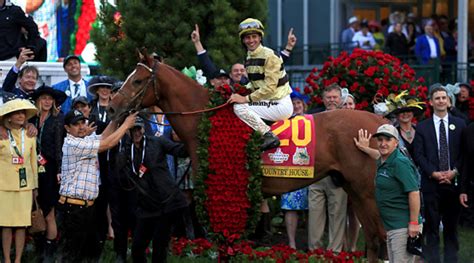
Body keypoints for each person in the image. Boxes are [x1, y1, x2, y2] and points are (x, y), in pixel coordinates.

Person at [56, 110, 138, 262]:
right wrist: (126, 125)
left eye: (83, 122)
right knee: (70, 256)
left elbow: (104, 136)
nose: (81, 127)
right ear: (67, 128)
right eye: (76, 124)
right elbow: (107, 144)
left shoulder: (83, 140)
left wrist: (117, 118)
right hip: (72, 209)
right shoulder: (72, 143)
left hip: (86, 207)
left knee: (85, 254)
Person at [115, 117, 189, 263]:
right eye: (132, 129)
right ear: (128, 132)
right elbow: (122, 180)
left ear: (144, 129)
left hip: (167, 202)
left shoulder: (157, 141)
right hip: (146, 206)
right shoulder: (125, 152)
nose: (136, 133)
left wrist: (190, 138)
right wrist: (120, 165)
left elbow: (180, 151)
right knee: (137, 249)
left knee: (159, 248)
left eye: (139, 129)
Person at [413, 86, 466, 263]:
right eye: (437, 98)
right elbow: (419, 154)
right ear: (431, 102)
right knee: (431, 228)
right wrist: (433, 173)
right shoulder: (422, 127)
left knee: (451, 228)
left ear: (448, 101)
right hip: (431, 184)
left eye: (444, 98)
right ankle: (433, 260)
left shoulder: (459, 124)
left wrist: (454, 171)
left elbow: (463, 153)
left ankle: (452, 260)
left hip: (453, 183)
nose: (441, 101)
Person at [356, 124, 421, 262]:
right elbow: (378, 155)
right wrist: (364, 148)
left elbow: (414, 192)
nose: (383, 143)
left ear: (396, 142)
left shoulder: (399, 163)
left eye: (388, 140)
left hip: (403, 227)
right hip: (392, 226)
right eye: (380, 140)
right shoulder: (385, 159)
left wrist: (414, 223)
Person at [227, 18, 293, 151]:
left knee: (239, 108)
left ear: (260, 37)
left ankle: (268, 135)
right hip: (268, 101)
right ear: (243, 40)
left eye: (254, 37)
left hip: (279, 103)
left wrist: (244, 98)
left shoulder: (270, 56)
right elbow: (255, 83)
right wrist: (239, 90)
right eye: (247, 37)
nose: (251, 40)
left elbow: (269, 87)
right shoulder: (249, 56)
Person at [307, 84, 347, 253]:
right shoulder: (313, 117)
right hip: (315, 174)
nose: (331, 100)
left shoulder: (347, 119)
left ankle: (334, 254)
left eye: (335, 97)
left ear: (340, 99)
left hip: (338, 176)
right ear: (323, 99)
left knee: (337, 216)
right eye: (328, 97)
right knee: (314, 217)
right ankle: (314, 253)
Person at [30, 85, 66, 262]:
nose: (46, 101)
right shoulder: (32, 119)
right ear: (38, 100)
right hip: (32, 168)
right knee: (35, 210)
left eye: (49, 99)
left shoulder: (57, 118)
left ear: (53, 102)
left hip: (51, 170)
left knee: (50, 212)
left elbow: (60, 147)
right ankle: (40, 248)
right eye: (43, 98)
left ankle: (49, 254)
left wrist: (60, 170)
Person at [0, 98, 38, 263]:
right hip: (4, 186)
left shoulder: (30, 135)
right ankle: (7, 259)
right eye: (17, 113)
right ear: (8, 117)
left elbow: (33, 162)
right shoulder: (1, 135)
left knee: (22, 225)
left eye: (23, 113)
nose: (21, 115)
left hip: (25, 186)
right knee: (6, 225)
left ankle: (18, 260)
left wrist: (35, 186)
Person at [280, 88, 309, 249]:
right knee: (290, 206)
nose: (296, 106)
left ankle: (313, 243)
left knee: (315, 209)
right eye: (293, 103)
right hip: (292, 168)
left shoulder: (313, 120)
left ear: (304, 105)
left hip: (314, 168)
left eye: (299, 103)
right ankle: (291, 243)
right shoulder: (284, 122)